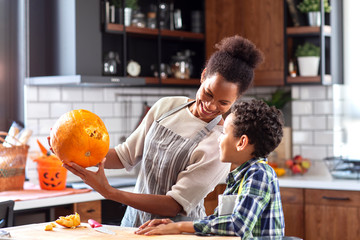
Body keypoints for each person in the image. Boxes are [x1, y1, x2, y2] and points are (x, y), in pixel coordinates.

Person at [61, 35, 264, 227]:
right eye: (208, 93)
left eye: (223, 102)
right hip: (132, 227)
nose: (210, 105)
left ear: (235, 100)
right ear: (203, 76)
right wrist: (71, 147)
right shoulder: (167, 107)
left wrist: (110, 192)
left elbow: (174, 204)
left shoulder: (218, 144)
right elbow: (125, 156)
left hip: (176, 233)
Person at [135, 99, 285, 239]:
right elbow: (220, 221)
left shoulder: (259, 174)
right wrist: (175, 226)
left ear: (241, 143)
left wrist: (181, 226)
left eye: (224, 133)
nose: (219, 138)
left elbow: (238, 225)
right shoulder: (239, 177)